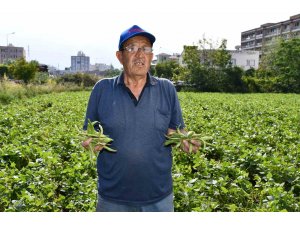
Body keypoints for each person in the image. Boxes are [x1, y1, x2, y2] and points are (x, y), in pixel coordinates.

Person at [82, 25, 200, 212]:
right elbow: (89, 132)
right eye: (131, 48)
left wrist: (185, 141)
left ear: (151, 56)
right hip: (113, 199)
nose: (140, 54)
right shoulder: (102, 89)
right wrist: (90, 142)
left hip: (158, 198)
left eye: (145, 48)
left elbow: (176, 129)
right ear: (120, 56)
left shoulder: (166, 89)